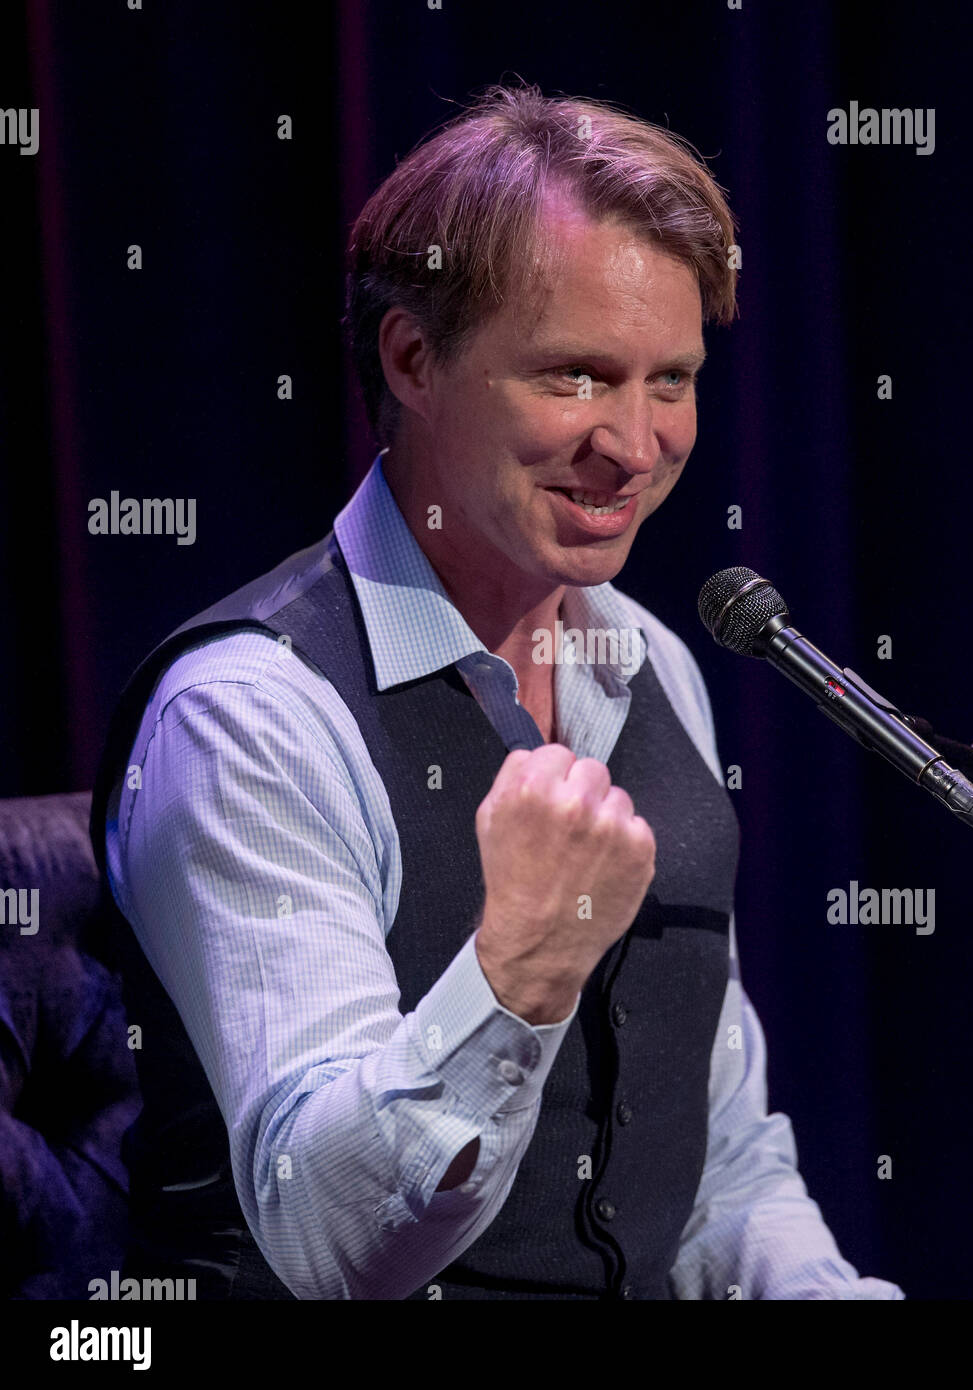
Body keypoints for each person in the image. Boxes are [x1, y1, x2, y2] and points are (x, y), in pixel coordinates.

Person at [90, 81, 904, 1301]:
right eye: (574, 376)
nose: (633, 445)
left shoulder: (649, 663)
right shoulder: (248, 714)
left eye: (670, 381)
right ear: (413, 358)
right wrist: (519, 964)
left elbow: (721, 1167)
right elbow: (333, 1243)